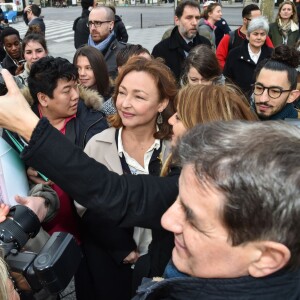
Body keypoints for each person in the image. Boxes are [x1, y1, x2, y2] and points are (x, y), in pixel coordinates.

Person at [75, 56, 176, 300]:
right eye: (121, 93)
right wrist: (118, 245)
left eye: (139, 96)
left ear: (162, 103)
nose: (125, 104)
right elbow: (83, 206)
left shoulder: (174, 149)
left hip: (164, 268)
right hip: (109, 266)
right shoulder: (99, 144)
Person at [152, 0, 211, 83]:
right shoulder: (161, 50)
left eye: (197, 18)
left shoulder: (206, 44)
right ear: (177, 20)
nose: (194, 23)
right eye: (189, 17)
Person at [223, 16, 273, 98]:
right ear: (248, 36)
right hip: (239, 102)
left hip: (264, 101)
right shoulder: (234, 54)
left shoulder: (271, 54)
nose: (259, 37)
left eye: (262, 34)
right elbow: (228, 81)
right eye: (255, 34)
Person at [216, 4, 273, 69]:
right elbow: (219, 59)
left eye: (260, 19)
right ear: (245, 20)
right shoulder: (229, 38)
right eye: (255, 20)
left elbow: (272, 56)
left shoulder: (264, 38)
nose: (258, 22)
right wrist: (232, 72)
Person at [251, 44, 300, 120]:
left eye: (274, 91)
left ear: (292, 96)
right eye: (259, 88)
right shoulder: (238, 119)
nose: (263, 99)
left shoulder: (296, 130)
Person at [101, 43, 151, 116]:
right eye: (137, 65)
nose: (146, 70)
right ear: (121, 70)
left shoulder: (164, 96)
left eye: (150, 65)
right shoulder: (107, 111)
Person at [87, 6, 126, 79]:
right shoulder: (82, 51)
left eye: (97, 23)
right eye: (90, 23)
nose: (92, 28)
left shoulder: (123, 54)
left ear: (111, 25)